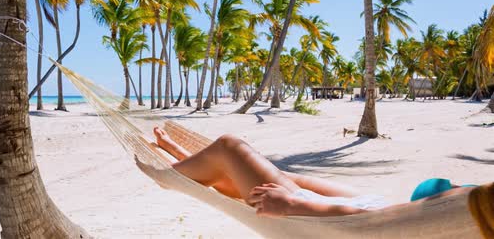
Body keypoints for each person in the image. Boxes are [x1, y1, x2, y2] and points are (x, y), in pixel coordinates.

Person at [152, 127, 475, 217]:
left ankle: (174, 176)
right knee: (280, 175)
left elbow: (376, 232)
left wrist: (295, 206)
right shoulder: (471, 217)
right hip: (383, 207)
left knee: (230, 146)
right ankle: (183, 163)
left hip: (332, 213)